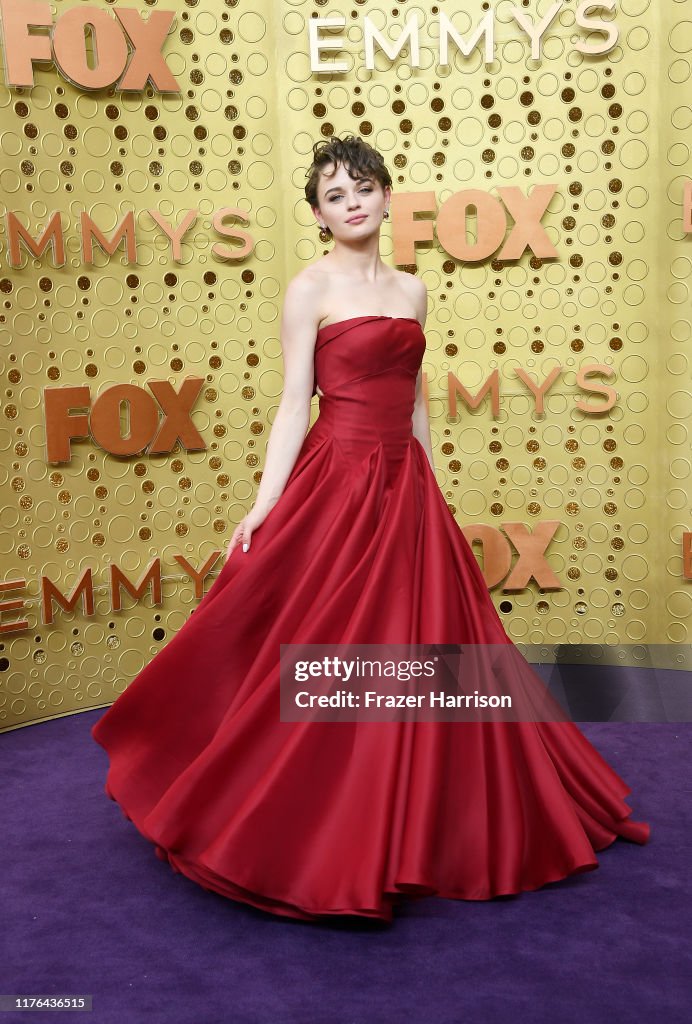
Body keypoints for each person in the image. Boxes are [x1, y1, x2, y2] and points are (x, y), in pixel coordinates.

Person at [91, 134, 650, 924]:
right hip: (338, 477)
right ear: (318, 216)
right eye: (334, 195)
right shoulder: (308, 290)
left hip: (403, 483)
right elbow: (295, 403)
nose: (351, 203)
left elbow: (416, 398)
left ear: (387, 197)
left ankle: (420, 814)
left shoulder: (415, 291)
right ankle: (304, 810)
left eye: (362, 189)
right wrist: (263, 502)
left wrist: (431, 487)